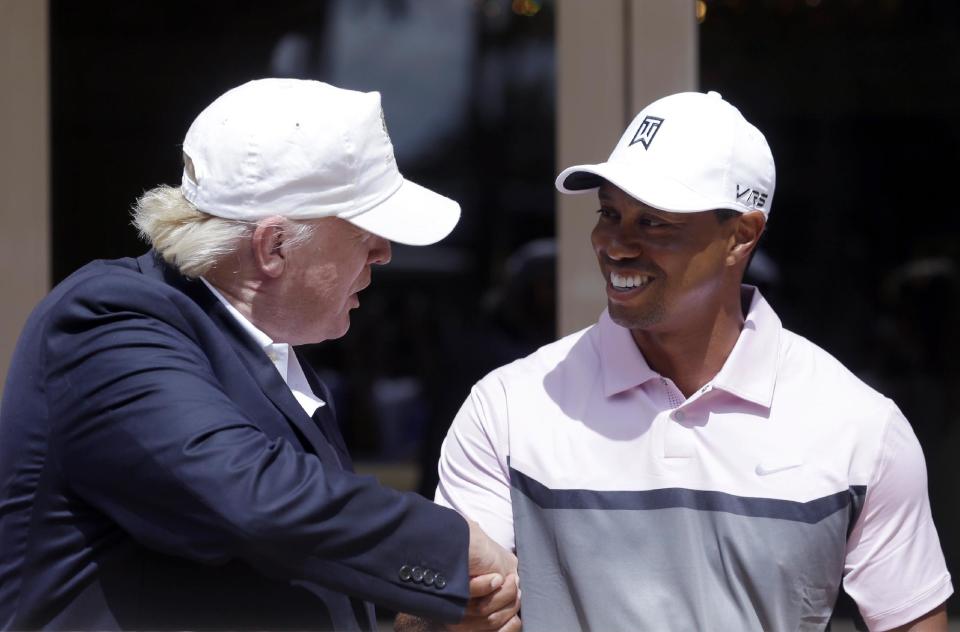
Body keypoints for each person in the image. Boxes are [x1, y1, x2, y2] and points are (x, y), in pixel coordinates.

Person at [0, 79, 520, 631]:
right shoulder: (108, 322)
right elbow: (252, 498)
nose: (385, 253)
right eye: (366, 231)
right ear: (273, 246)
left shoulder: (261, 350)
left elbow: (283, 568)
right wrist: (450, 548)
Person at [428, 91, 953, 631]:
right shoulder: (509, 407)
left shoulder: (860, 428)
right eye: (610, 213)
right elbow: (430, 610)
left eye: (654, 222)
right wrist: (449, 616)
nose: (616, 244)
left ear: (741, 236)